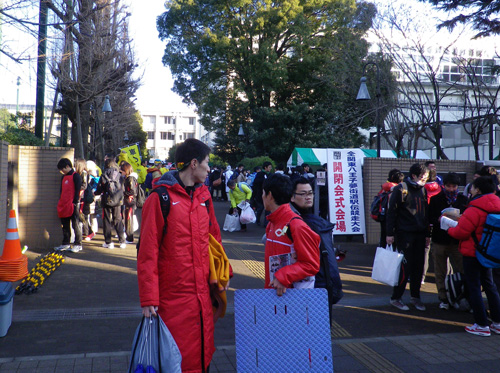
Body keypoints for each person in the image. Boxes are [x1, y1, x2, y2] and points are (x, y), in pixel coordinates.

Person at [137, 138, 227, 372]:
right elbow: (147, 252)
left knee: (203, 356)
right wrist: (148, 299)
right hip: (173, 301)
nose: (210, 168)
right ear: (194, 164)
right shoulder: (160, 199)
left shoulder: (204, 197)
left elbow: (215, 242)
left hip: (202, 298)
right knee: (176, 361)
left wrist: (221, 276)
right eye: (207, 162)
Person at [446, 176, 500, 336]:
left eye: (472, 187)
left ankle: (481, 324)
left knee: (474, 287)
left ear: (478, 190)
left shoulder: (475, 208)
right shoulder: (497, 205)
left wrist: (448, 228)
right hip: (490, 252)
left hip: (472, 253)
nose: (470, 189)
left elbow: (461, 232)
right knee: (490, 286)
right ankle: (497, 323)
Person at [290, 177, 343, 317]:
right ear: (292, 197)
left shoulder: (307, 224)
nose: (308, 197)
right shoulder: (302, 223)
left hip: (315, 287)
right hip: (317, 287)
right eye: (303, 194)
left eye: (310, 193)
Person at [263, 173, 320, 296]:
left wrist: (284, 276)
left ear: (270, 196)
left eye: (263, 193)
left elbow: (311, 264)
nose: (262, 197)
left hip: (293, 299)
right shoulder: (272, 223)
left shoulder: (296, 225)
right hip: (275, 294)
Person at [386, 163, 430, 311]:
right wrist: (389, 234)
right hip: (404, 234)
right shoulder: (401, 189)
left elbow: (426, 214)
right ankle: (396, 297)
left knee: (418, 267)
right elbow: (391, 212)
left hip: (420, 233)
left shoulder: (423, 190)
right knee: (405, 267)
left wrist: (427, 234)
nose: (424, 180)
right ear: (414, 176)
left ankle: (415, 297)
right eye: (423, 178)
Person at [428, 172, 468, 310]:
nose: (451, 189)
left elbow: (468, 219)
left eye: (454, 186)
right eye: (449, 186)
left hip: (457, 241)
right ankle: (443, 298)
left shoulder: (463, 200)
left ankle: (460, 296)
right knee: (440, 271)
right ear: (443, 185)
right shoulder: (435, 199)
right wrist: (438, 220)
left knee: (462, 270)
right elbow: (429, 218)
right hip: (440, 240)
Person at [94, 159, 126, 249]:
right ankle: (122, 241)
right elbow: (123, 188)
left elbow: (100, 189)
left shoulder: (104, 175)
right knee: (118, 219)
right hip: (118, 201)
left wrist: (95, 193)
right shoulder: (119, 175)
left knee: (107, 220)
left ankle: (108, 242)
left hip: (107, 200)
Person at [55, 158, 83, 253]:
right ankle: (65, 243)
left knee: (75, 224)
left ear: (67, 166)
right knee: (65, 225)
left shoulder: (76, 176)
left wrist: (75, 202)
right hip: (63, 203)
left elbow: (77, 191)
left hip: (73, 204)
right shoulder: (63, 177)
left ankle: (78, 244)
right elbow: (61, 191)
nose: (62, 171)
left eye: (62, 169)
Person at [422, 169, 442, 283]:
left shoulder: (422, 190)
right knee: (441, 253)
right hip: (439, 224)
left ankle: (421, 277)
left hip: (426, 223)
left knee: (425, 250)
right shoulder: (440, 190)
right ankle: (445, 278)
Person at [377, 169, 404, 247]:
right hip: (394, 218)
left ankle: (382, 255)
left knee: (383, 238)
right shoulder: (397, 190)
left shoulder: (385, 187)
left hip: (383, 216)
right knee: (394, 242)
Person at [75, 159, 94, 242]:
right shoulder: (81, 173)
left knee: (83, 215)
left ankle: (89, 232)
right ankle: (86, 231)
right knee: (82, 215)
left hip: (83, 197)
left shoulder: (84, 173)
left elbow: (84, 186)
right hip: (81, 197)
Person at [121, 161, 138, 244]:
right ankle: (129, 236)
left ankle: (130, 238)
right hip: (128, 201)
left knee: (129, 220)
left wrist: (123, 193)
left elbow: (132, 192)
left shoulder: (130, 179)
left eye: (122, 171)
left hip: (130, 202)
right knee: (128, 219)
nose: (121, 172)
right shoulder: (129, 178)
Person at [253, 161, 273, 226]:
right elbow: (255, 183)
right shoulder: (260, 174)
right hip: (260, 194)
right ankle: (257, 219)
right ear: (265, 167)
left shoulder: (271, 175)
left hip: (268, 194)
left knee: (267, 210)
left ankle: (266, 223)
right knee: (260, 208)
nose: (270, 168)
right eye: (269, 167)